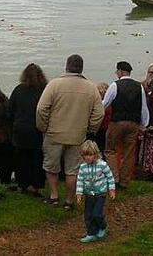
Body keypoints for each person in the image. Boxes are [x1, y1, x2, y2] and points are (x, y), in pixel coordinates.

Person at [37, 54, 104, 209]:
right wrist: (91, 129)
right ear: (81, 68)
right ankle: (69, 200)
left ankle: (54, 195)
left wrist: (43, 126)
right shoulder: (91, 88)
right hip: (78, 135)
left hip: (54, 133)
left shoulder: (54, 84)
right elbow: (99, 113)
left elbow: (42, 109)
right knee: (72, 170)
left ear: (67, 66)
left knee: (51, 166)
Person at [102, 61, 149, 190]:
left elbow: (105, 104)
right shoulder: (139, 87)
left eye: (117, 71)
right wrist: (143, 125)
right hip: (133, 123)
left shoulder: (114, 85)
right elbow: (143, 108)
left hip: (117, 122)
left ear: (121, 71)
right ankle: (124, 181)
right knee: (129, 153)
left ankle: (114, 177)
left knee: (110, 149)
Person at [8, 63, 47, 196]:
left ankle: (22, 184)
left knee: (21, 158)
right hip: (37, 129)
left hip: (20, 128)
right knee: (37, 158)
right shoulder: (44, 91)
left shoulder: (18, 90)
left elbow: (10, 110)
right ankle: (36, 185)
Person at [75, 140, 116, 243]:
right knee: (88, 215)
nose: (88, 157)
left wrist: (111, 190)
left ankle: (102, 226)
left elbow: (110, 177)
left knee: (96, 214)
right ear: (83, 156)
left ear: (96, 154)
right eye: (86, 155)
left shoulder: (102, 165)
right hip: (89, 195)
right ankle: (91, 233)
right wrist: (79, 193)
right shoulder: (83, 167)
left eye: (91, 155)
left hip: (100, 194)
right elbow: (80, 180)